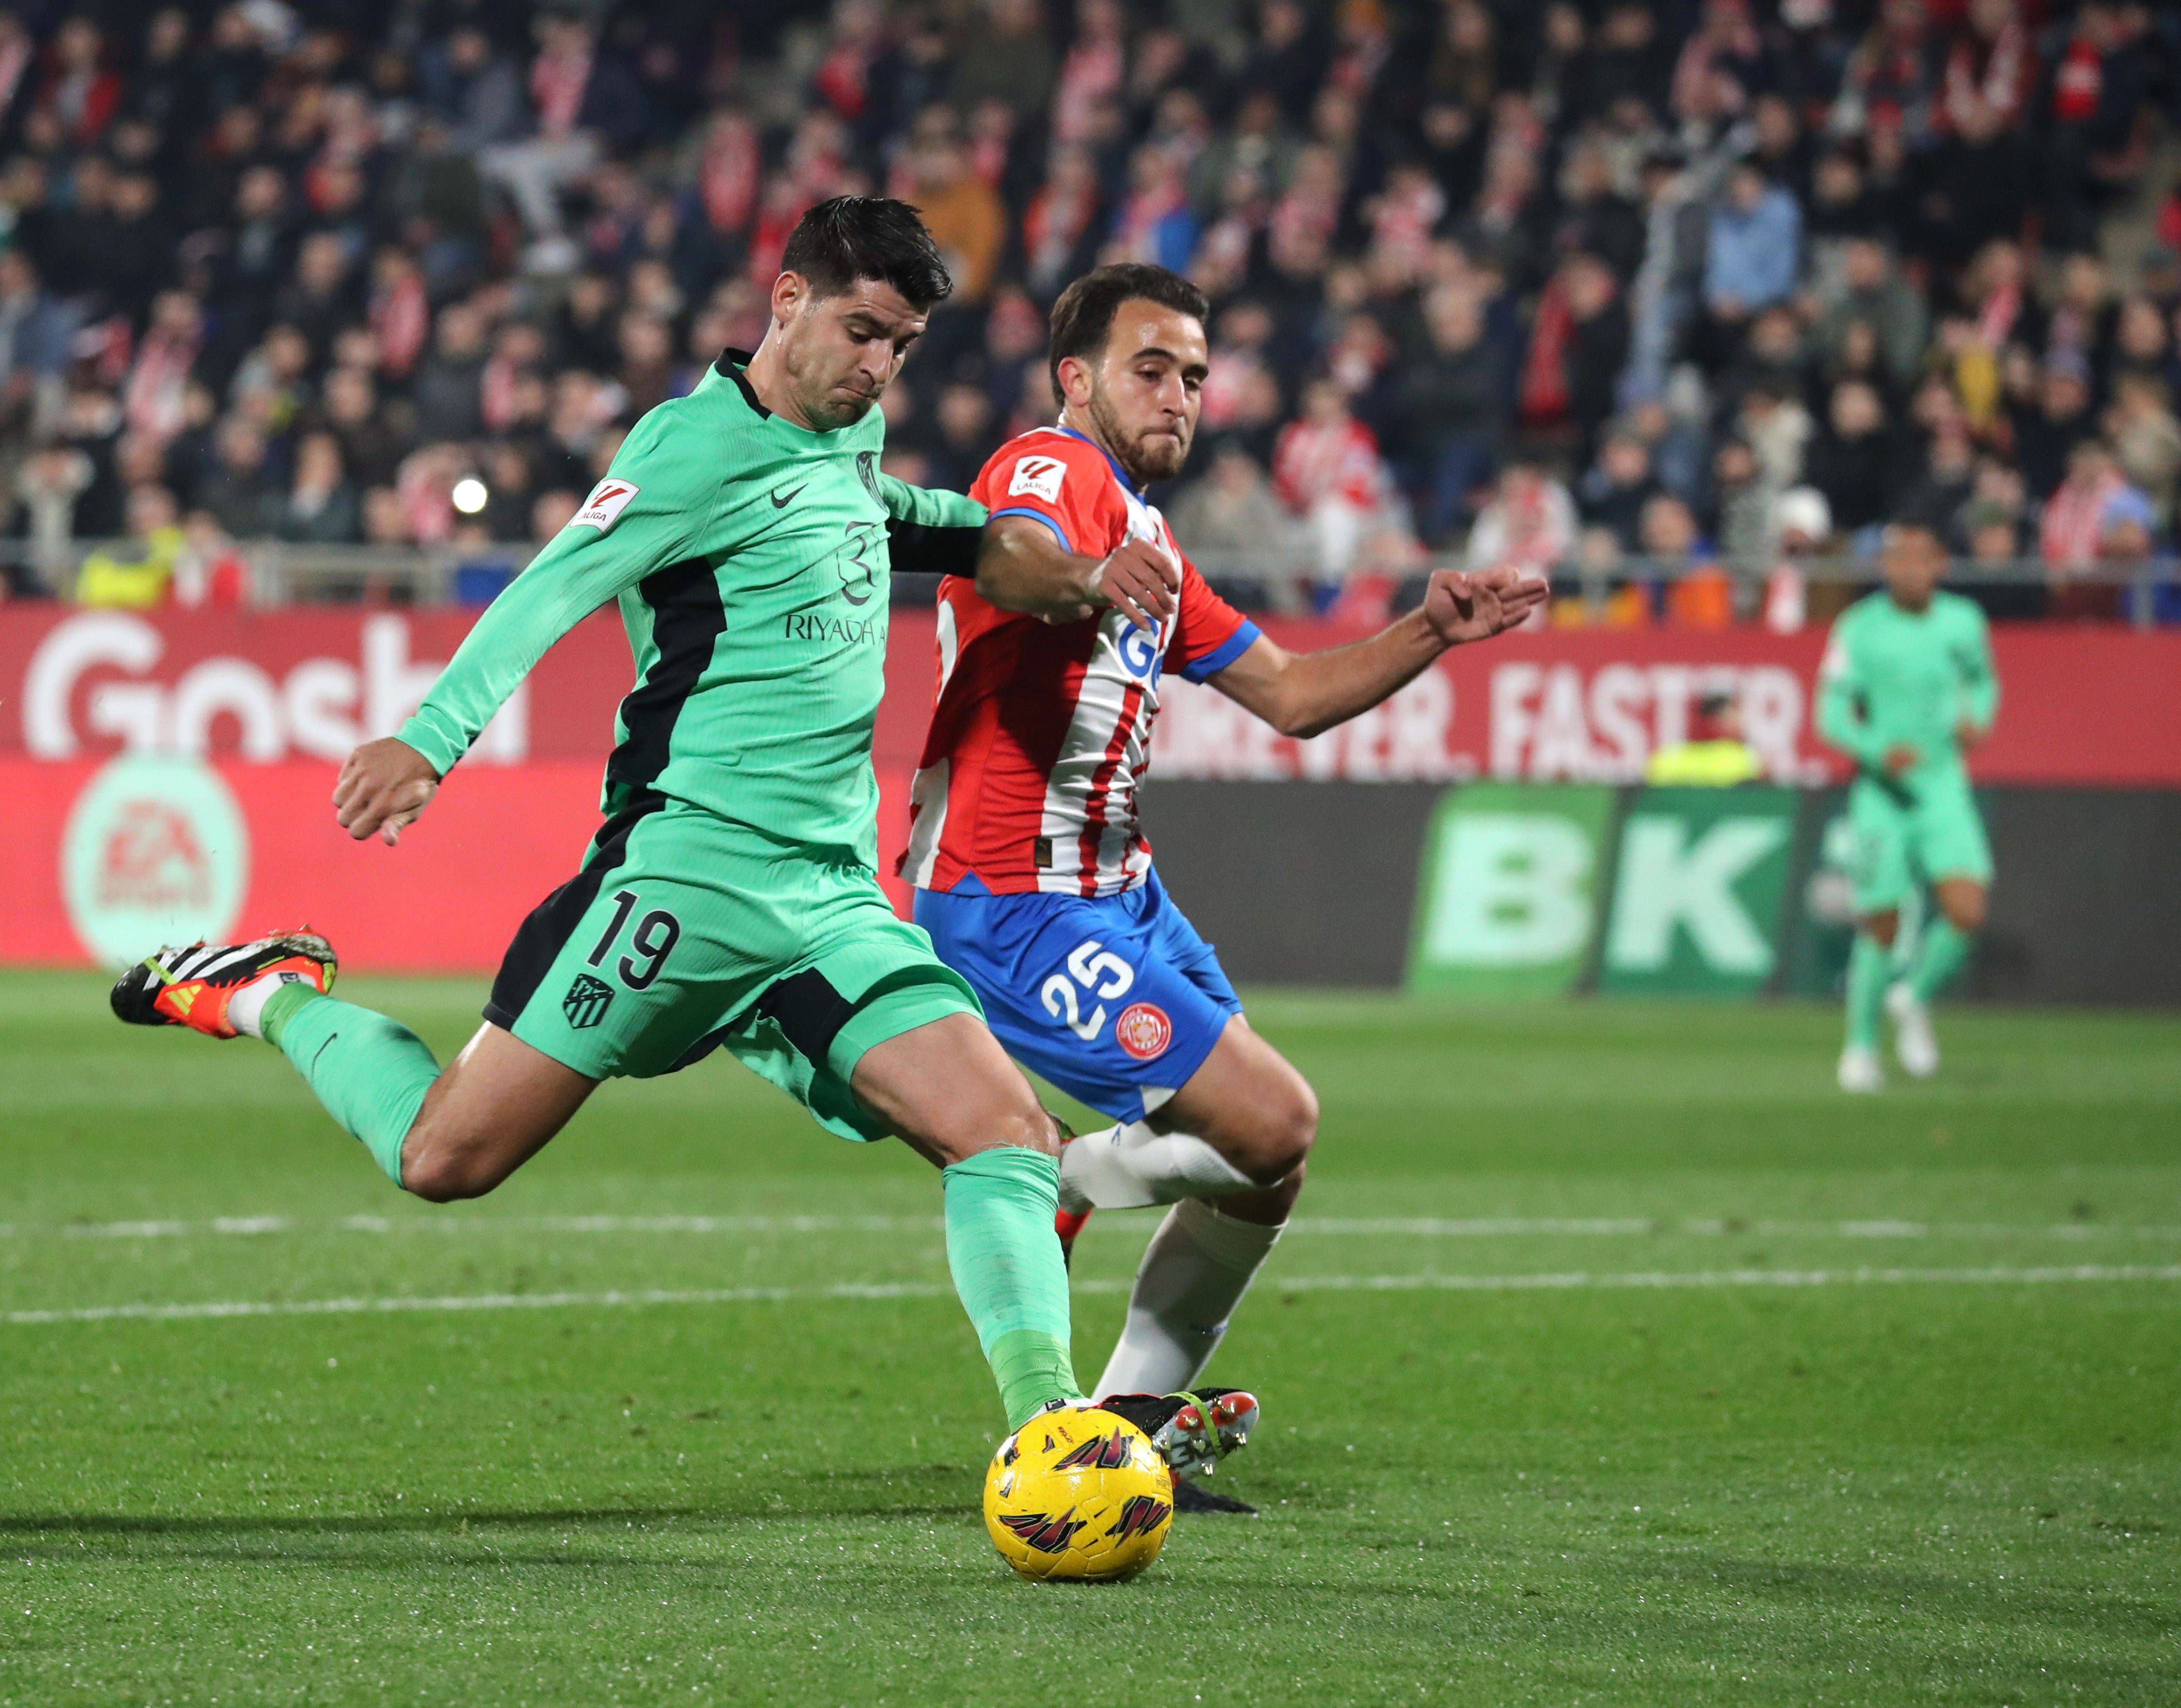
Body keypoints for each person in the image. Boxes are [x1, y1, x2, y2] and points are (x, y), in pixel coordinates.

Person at [106, 200, 1253, 1484]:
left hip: (825, 900)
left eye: (904, 344)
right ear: (786, 304)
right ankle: (269, 993)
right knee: (442, 1158)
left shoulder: (850, 440)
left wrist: (1055, 563)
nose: (878, 367)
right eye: (861, 332)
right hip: (679, 882)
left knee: (1008, 1139)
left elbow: (918, 519)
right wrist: (430, 739)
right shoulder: (688, 450)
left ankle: (1056, 1436)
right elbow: (552, 585)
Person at [900, 263, 1543, 1509]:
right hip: (1010, 898)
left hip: (1121, 887)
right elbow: (1010, 552)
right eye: (1152, 368)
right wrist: (1081, 578)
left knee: (1269, 1164)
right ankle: (1058, 1176)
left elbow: (1293, 698)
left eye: (1195, 376)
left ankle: (1131, 1425)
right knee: (1274, 1121)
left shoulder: (1154, 541)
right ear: (1075, 377)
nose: (1180, 395)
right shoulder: (1053, 468)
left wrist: (1430, 631)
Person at [1816, 516, 2000, 1093]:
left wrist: (1980, 718)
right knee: (1883, 924)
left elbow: (1984, 681)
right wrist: (1874, 748)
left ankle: (1912, 997)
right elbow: (1830, 714)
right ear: (1885, 566)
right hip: (1883, 795)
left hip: (1943, 787)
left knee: (1967, 910)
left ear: (1940, 564)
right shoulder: (1858, 628)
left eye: (1922, 559)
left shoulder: (1963, 622)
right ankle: (1861, 1049)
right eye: (1899, 560)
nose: (1910, 570)